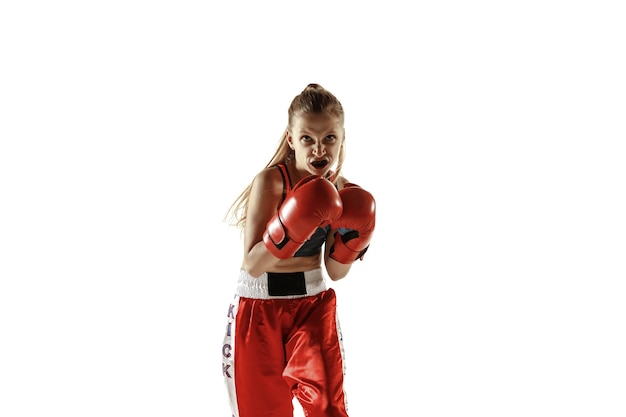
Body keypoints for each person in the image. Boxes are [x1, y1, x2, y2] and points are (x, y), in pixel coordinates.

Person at [221, 83, 376, 417]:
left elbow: (335, 271)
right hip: (259, 306)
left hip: (313, 305)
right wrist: (291, 225)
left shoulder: (343, 193)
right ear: (291, 139)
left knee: (328, 409)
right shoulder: (272, 182)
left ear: (342, 137)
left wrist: (356, 239)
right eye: (307, 138)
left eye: (329, 138)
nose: (319, 149)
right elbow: (252, 264)